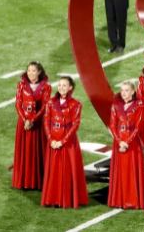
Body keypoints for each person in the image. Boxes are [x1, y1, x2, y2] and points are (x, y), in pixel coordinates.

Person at [41, 76, 88, 208]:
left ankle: (67, 198)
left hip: (68, 144)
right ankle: (53, 198)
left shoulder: (76, 104)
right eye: (60, 85)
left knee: (68, 170)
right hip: (53, 141)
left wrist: (62, 141)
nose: (61, 87)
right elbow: (47, 122)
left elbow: (75, 125)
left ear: (70, 88)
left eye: (64, 85)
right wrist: (51, 139)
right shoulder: (50, 103)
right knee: (54, 170)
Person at [12, 61, 51, 190]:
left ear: (39, 72)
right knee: (25, 151)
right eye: (29, 71)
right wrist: (25, 120)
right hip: (24, 124)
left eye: (33, 71)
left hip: (38, 124)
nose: (31, 73)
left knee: (38, 151)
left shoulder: (46, 87)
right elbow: (18, 104)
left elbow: (45, 106)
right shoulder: (21, 85)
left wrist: (33, 120)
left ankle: (38, 181)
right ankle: (24, 181)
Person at [107, 80, 144, 209]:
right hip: (119, 143)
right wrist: (120, 141)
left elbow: (138, 127)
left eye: (127, 90)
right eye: (122, 90)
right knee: (120, 172)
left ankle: (132, 200)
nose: (124, 93)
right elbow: (112, 125)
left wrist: (127, 142)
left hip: (132, 144)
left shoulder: (138, 106)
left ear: (133, 91)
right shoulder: (115, 105)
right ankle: (119, 199)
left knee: (131, 171)